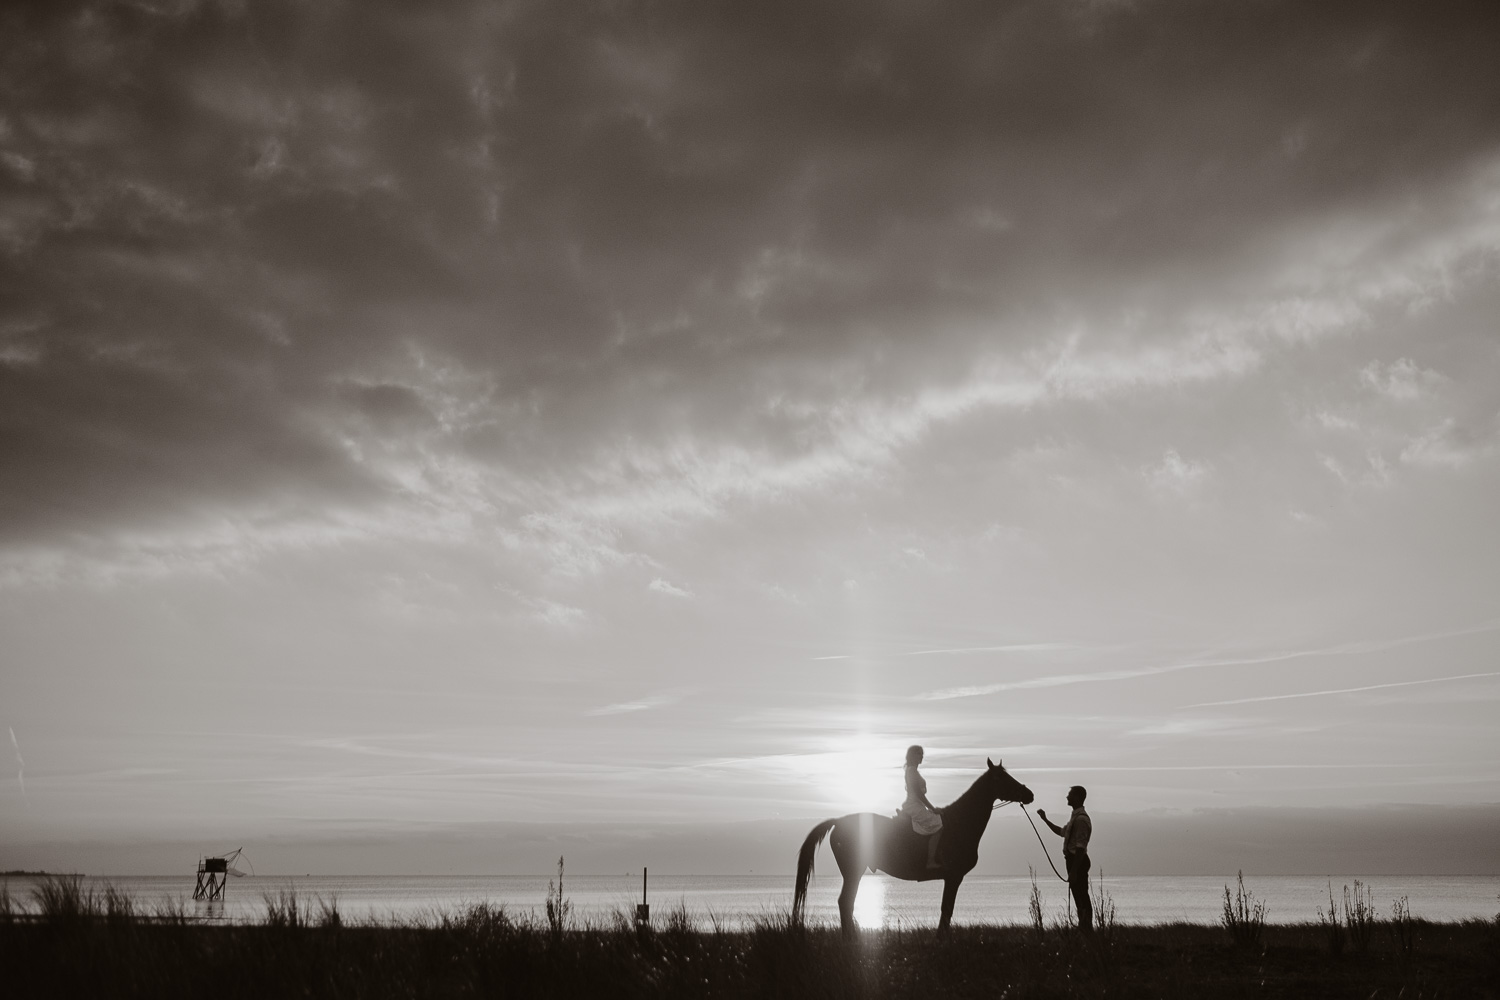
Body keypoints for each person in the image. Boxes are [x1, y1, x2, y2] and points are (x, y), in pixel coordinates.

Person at [1038, 785, 1093, 933]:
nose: (1067, 797)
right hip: (1074, 861)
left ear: (1077, 797)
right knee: (1079, 895)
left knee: (1081, 895)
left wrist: (1074, 871)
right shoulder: (1075, 817)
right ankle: (1085, 927)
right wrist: (1045, 819)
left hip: (1077, 862)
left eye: (1070, 794)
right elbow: (1061, 832)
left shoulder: (1081, 820)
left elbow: (1081, 848)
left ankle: (1087, 928)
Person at [901, 745, 944, 869]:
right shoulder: (912, 771)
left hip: (916, 805)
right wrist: (932, 808)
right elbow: (919, 794)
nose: (921, 756)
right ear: (913, 756)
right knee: (940, 825)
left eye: (922, 754)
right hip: (915, 806)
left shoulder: (912, 770)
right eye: (919, 754)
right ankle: (930, 861)